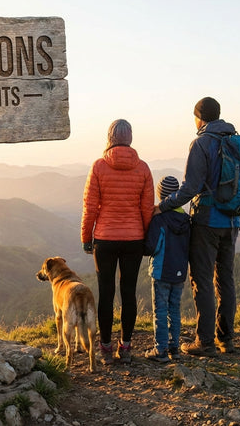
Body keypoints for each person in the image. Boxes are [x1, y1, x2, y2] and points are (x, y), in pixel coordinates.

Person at [157, 97, 240, 356]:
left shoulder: (201, 143)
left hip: (208, 220)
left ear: (200, 118)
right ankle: (225, 339)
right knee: (225, 279)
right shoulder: (234, 141)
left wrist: (163, 206)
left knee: (202, 280)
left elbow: (189, 188)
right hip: (233, 220)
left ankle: (204, 342)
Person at [81, 119, 154, 364]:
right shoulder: (143, 168)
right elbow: (146, 208)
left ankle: (105, 349)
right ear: (130, 138)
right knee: (129, 293)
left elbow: (90, 207)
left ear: (110, 137)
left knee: (106, 294)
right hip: (134, 238)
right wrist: (145, 237)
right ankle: (126, 347)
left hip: (105, 239)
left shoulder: (99, 166)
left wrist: (86, 237)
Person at [144, 176, 190, 363]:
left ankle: (160, 349)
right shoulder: (186, 219)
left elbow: (151, 248)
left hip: (161, 271)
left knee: (160, 311)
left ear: (160, 195)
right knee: (175, 309)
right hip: (179, 272)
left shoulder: (159, 219)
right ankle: (174, 347)